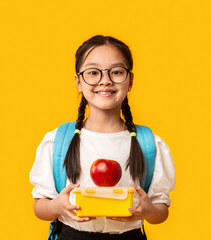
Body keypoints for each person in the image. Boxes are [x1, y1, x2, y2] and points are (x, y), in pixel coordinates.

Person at [29, 35, 175, 240]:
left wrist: (148, 210)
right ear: (78, 82)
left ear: (130, 80)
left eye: (116, 72)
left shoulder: (149, 144)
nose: (105, 80)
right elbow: (40, 207)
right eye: (93, 73)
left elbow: (161, 211)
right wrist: (57, 206)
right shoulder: (57, 141)